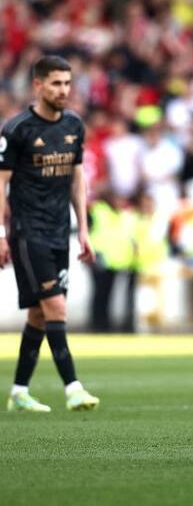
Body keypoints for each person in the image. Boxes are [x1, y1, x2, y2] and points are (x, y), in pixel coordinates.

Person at [0, 55, 100, 412]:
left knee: (39, 315)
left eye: (67, 83)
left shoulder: (74, 124)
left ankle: (18, 392)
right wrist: (0, 233)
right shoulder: (17, 130)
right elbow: (1, 184)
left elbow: (77, 179)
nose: (64, 90)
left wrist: (83, 230)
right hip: (28, 232)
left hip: (60, 231)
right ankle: (73, 387)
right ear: (38, 85)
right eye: (56, 83)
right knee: (56, 306)